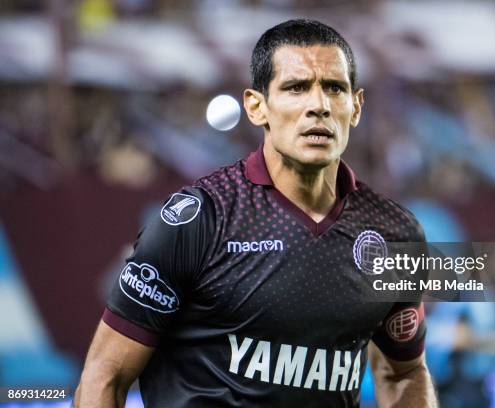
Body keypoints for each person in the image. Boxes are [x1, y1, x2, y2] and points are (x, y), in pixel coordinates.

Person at [75, 19, 437, 407]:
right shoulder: (200, 220)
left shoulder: (395, 233)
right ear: (257, 106)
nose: (319, 106)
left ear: (356, 106)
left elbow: (403, 373)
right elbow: (104, 378)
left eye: (335, 88)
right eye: (296, 88)